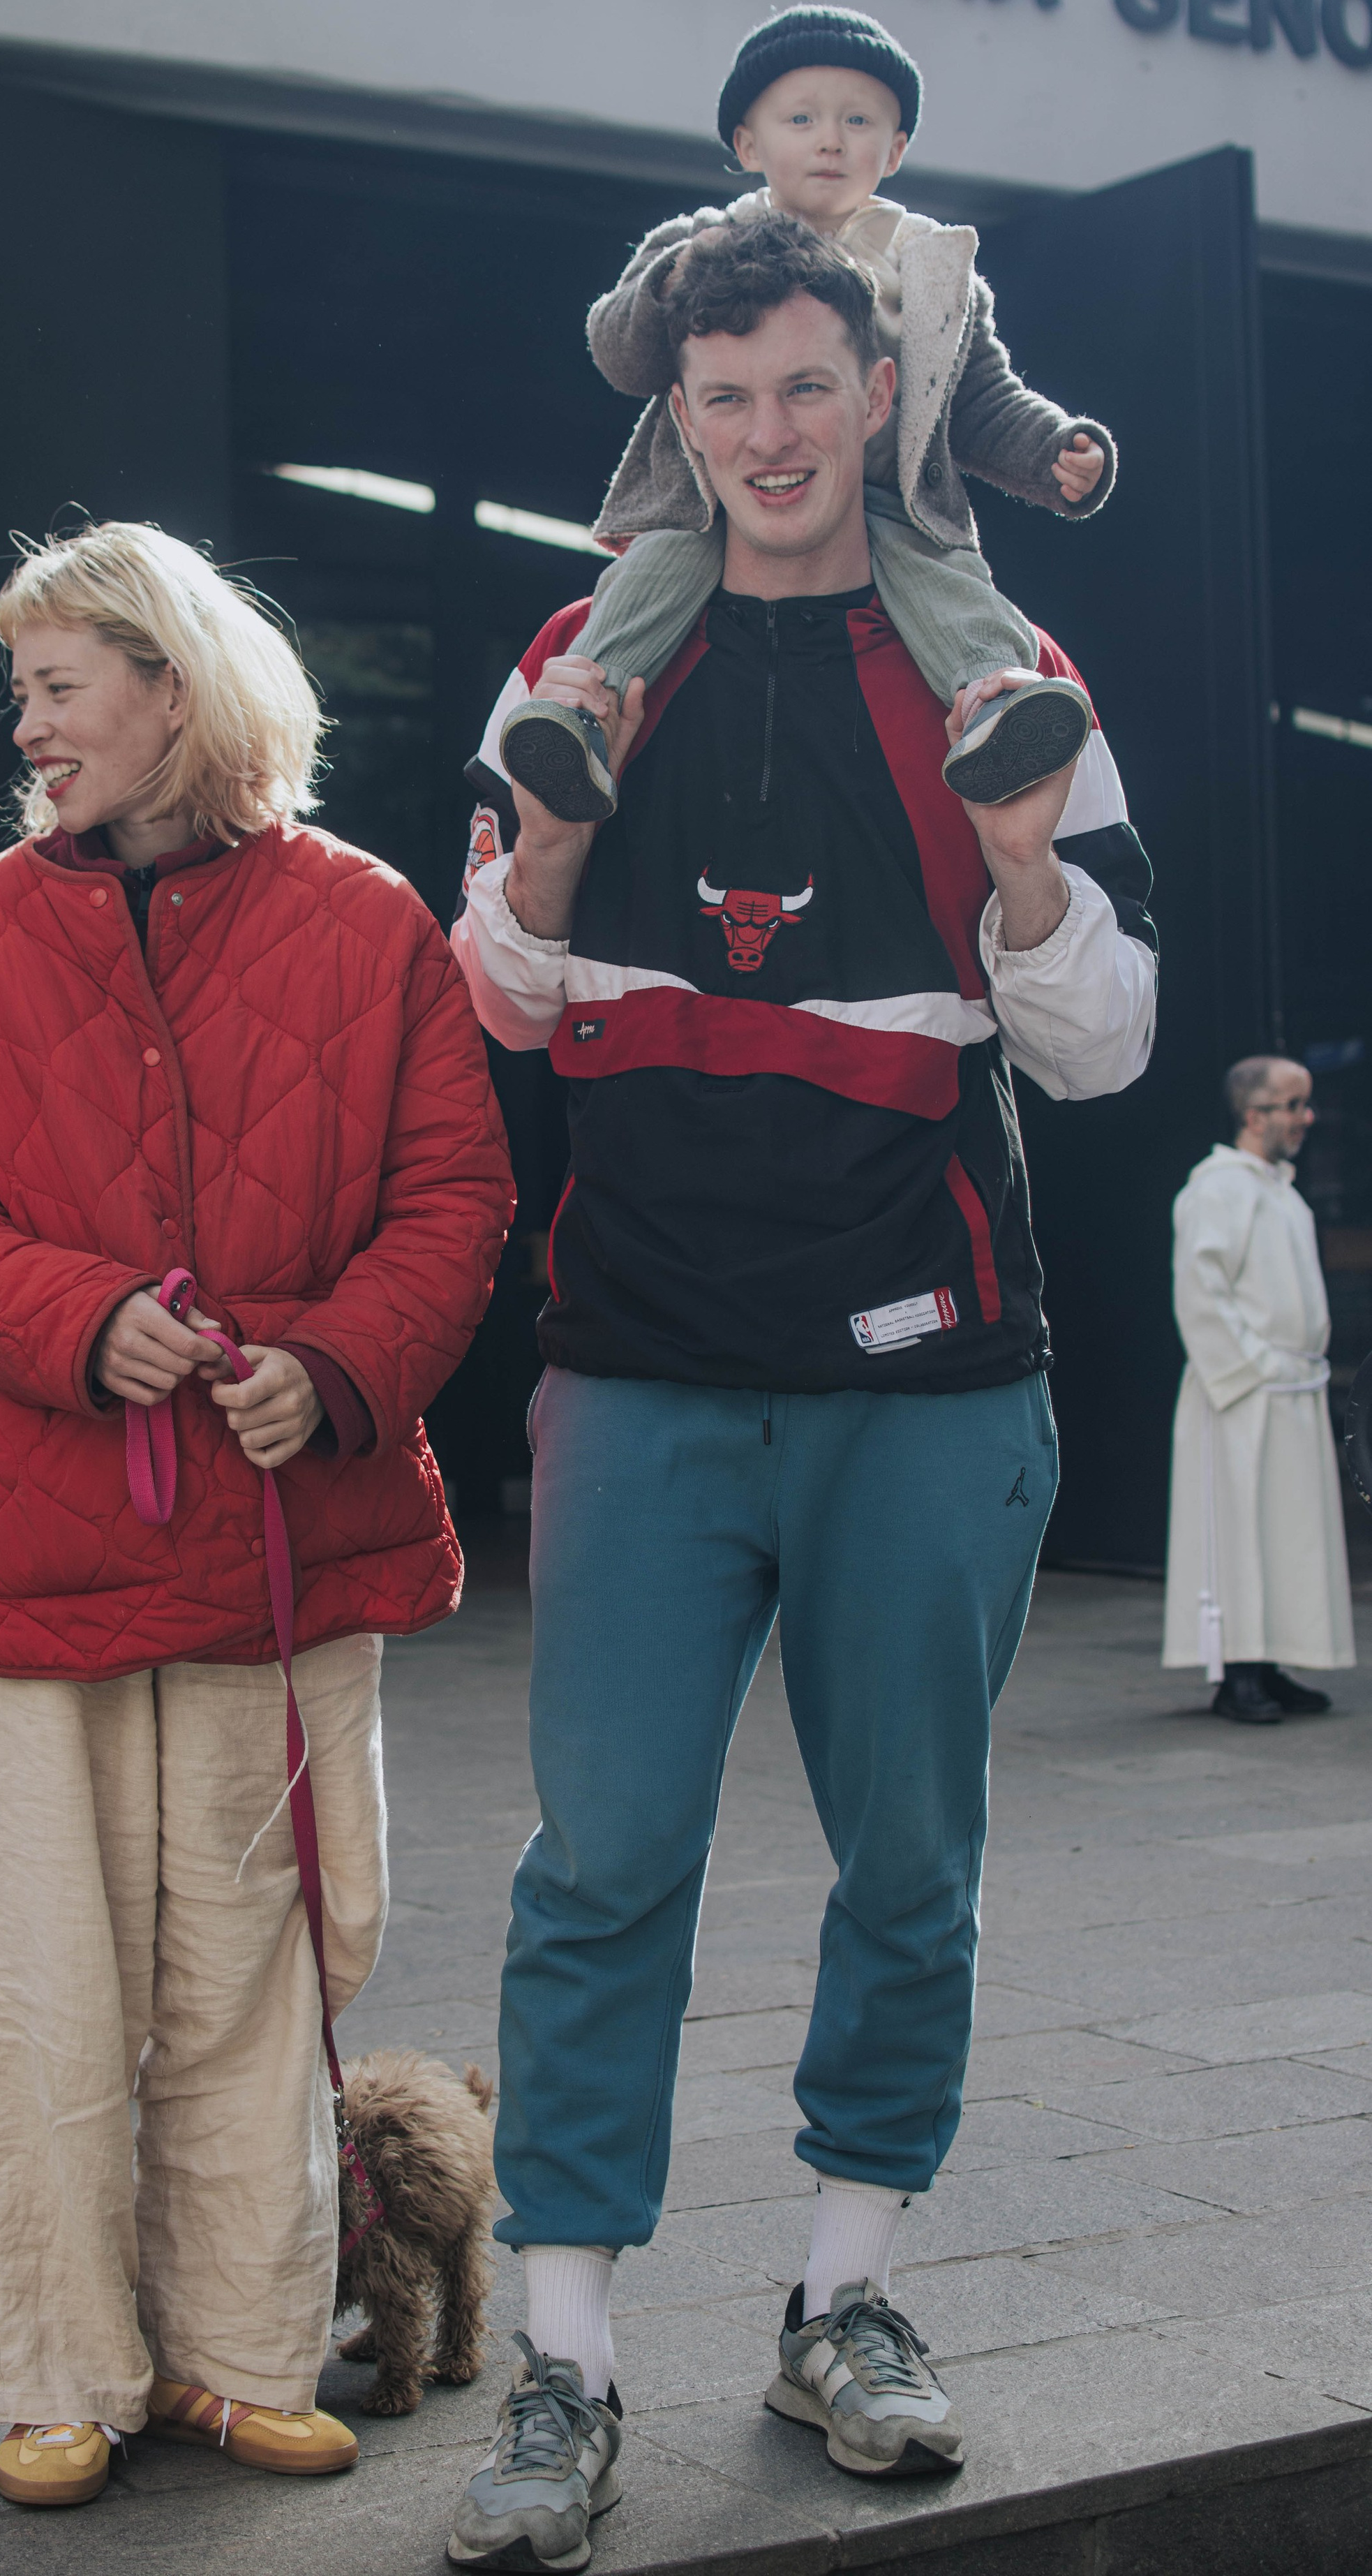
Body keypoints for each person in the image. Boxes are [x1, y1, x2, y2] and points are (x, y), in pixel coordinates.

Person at [445, 212, 1156, 2570]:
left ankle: (844, 2305)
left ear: (882, 400)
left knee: (913, 1869)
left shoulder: (1003, 672)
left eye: (807, 390)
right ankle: (564, 2361)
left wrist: (1025, 868)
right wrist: (554, 841)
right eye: (726, 395)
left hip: (928, 1372)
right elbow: (498, 1000)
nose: (768, 435)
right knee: (602, 1867)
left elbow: (1105, 1043)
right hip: (644, 1364)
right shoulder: (578, 662)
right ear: (682, 415)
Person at [0, 521, 514, 2510]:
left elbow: (453, 1199)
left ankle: (236, 2355)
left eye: (59, 685)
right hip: (47, 1535)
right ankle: (64, 2370)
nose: (28, 726)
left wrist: (335, 1363)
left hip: (277, 1537)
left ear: (173, 686)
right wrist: (74, 1318)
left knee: (259, 1965)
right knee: (47, 1983)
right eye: (24, 693)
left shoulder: (368, 922)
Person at [496, 3, 1116, 829]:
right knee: (649, 578)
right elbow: (617, 354)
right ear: (747, 146)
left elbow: (981, 398)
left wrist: (1051, 450)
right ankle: (578, 723)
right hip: (718, 496)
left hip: (888, 499)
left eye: (857, 122)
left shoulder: (931, 268)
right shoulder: (701, 240)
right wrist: (667, 282)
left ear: (895, 150)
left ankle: (999, 718)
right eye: (801, 120)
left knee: (958, 594)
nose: (830, 141)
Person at [1162, 1057, 1352, 1724]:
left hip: (1289, 1387)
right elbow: (1201, 1291)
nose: (1307, 1117)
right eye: (1293, 1105)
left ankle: (1272, 1660)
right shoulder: (1217, 1189)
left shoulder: (1284, 1194)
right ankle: (1237, 1670)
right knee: (1238, 1527)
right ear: (1253, 1114)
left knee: (1286, 1532)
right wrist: (1253, 1368)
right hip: (1243, 1392)